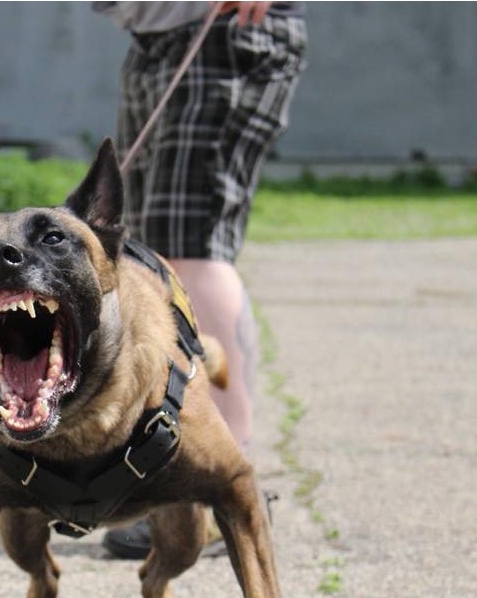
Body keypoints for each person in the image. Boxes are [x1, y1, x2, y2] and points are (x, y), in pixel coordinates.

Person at [94, 1, 308, 558]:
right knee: (151, 252)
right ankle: (169, 469)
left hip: (226, 31)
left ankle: (227, 486)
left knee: (193, 250)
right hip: (154, 37)